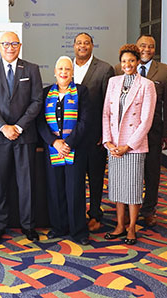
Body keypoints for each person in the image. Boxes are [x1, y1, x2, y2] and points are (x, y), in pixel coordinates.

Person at [0, 31, 43, 244]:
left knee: (27, 183)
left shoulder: (31, 69)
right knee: (0, 183)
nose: (9, 47)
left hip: (24, 135)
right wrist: (3, 127)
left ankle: (28, 225)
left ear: (20, 45)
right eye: (5, 43)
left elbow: (36, 101)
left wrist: (18, 126)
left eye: (14, 43)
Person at [102, 44, 156, 245]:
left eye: (131, 61)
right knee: (117, 187)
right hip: (114, 145)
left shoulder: (147, 85)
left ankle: (132, 226)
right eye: (124, 61)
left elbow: (146, 121)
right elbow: (106, 113)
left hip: (134, 145)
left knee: (132, 189)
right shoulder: (113, 82)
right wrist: (108, 140)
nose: (127, 64)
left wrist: (129, 145)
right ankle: (119, 225)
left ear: (138, 61)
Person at [37, 56, 91, 245]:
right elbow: (40, 122)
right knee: (55, 188)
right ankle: (59, 227)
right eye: (60, 69)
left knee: (74, 189)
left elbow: (84, 121)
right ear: (54, 71)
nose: (63, 72)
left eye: (67, 69)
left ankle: (79, 231)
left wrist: (68, 143)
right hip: (53, 149)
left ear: (72, 72)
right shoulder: (46, 93)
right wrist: (55, 142)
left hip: (75, 149)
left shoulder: (82, 92)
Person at [72, 32, 115, 232]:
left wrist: (105, 134)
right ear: (74, 46)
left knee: (95, 177)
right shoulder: (66, 67)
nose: (82, 46)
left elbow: (109, 105)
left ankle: (96, 213)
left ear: (92, 45)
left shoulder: (105, 69)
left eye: (86, 43)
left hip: (94, 135)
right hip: (71, 136)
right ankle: (76, 213)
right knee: (75, 178)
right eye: (79, 43)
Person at [134, 35, 167, 228]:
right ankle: (129, 207)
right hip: (129, 133)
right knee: (131, 172)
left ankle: (149, 209)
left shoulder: (165, 71)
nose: (146, 49)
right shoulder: (121, 67)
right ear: (136, 46)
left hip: (154, 132)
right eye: (143, 45)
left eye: (151, 46)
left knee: (151, 173)